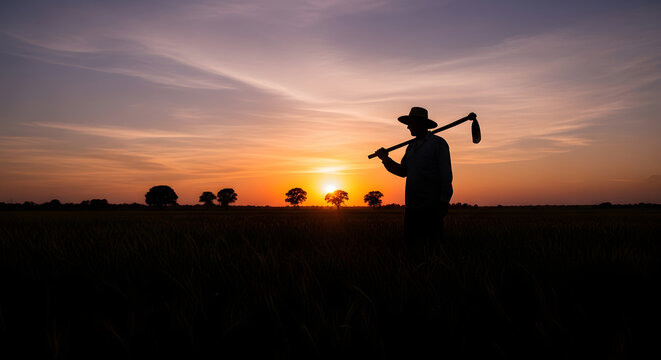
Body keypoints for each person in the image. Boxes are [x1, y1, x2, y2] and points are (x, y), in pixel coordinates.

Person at [375, 107, 453, 257]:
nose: (408, 126)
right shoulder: (411, 147)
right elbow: (403, 171)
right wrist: (385, 159)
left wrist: (443, 202)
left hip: (432, 206)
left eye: (410, 122)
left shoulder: (438, 144)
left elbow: (446, 175)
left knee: (433, 249)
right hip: (412, 206)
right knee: (411, 248)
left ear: (421, 123)